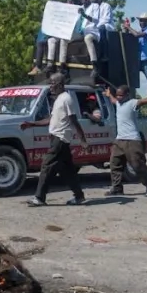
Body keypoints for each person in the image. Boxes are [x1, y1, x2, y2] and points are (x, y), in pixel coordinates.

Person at [23, 73, 88, 206]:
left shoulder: (66, 99)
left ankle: (39, 198)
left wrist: (82, 139)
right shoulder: (58, 99)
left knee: (46, 166)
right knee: (68, 170)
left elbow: (73, 119)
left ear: (60, 84)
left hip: (60, 138)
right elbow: (50, 120)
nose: (50, 86)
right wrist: (31, 124)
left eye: (52, 83)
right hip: (56, 138)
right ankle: (79, 196)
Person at [103, 85, 147, 197]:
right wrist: (109, 95)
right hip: (119, 140)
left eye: (121, 95)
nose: (118, 97)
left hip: (132, 140)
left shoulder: (132, 103)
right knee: (114, 164)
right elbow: (113, 100)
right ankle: (117, 188)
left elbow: (145, 101)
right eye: (117, 95)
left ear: (127, 95)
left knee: (137, 165)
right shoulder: (118, 102)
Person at [124, 13, 147, 115]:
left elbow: (135, 35)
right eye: (140, 20)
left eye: (144, 20)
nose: (142, 22)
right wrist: (126, 28)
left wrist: (129, 27)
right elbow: (129, 36)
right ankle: (132, 105)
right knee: (132, 84)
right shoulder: (139, 31)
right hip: (137, 60)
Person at [79, 0, 115, 79]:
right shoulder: (92, 7)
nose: (93, 0)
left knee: (101, 27)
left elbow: (106, 19)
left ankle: (104, 54)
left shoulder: (106, 6)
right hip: (93, 28)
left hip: (106, 26)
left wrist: (96, 25)